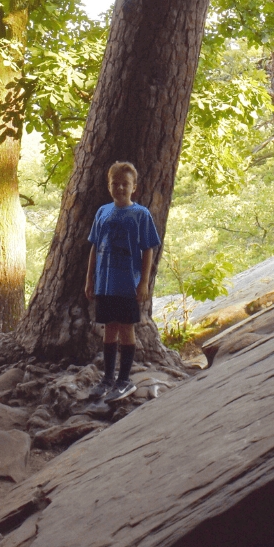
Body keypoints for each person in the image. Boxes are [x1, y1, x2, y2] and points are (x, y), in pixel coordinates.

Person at [85, 161, 161, 400]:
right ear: (109, 186)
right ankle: (107, 379)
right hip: (105, 282)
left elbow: (148, 248)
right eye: (115, 184)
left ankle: (124, 380)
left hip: (128, 283)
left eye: (124, 184)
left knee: (127, 330)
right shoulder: (102, 212)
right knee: (109, 330)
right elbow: (95, 246)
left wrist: (144, 282)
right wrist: (90, 279)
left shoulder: (141, 214)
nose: (119, 188)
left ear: (134, 188)